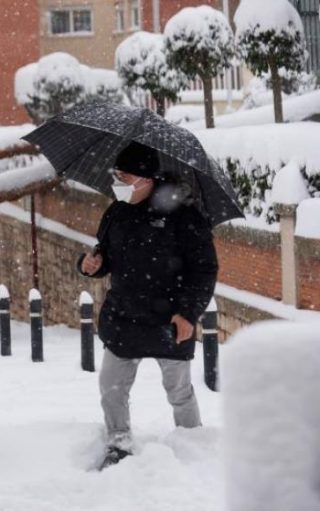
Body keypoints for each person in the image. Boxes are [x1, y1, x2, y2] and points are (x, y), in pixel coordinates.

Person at [77, 141, 219, 471]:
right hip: (124, 316)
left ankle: (192, 447)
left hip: (169, 320)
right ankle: (119, 444)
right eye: (117, 176)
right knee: (112, 388)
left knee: (179, 391)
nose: (118, 183)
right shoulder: (116, 212)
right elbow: (105, 257)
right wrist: (91, 265)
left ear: (147, 179)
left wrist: (188, 313)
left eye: (124, 177)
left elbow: (204, 269)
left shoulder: (185, 217)